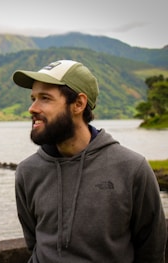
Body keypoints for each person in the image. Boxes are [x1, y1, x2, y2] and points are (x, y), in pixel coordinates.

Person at [12, 59, 167, 262]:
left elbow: (151, 251)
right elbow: (34, 243)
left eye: (45, 98)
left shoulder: (132, 168)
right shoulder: (27, 171)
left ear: (78, 104)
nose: (32, 108)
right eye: (33, 98)